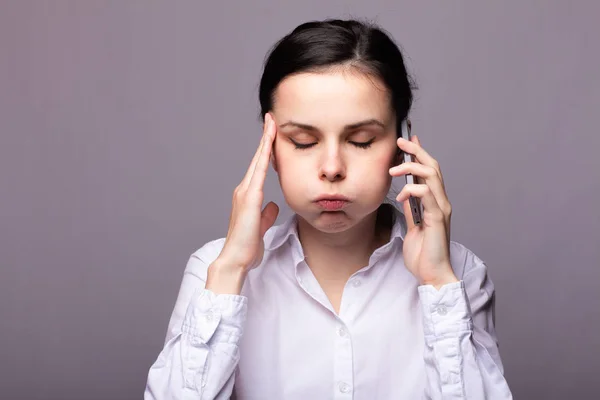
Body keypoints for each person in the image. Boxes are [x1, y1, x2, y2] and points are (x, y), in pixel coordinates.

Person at [145, 18, 513, 400]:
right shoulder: (212, 272)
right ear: (270, 149)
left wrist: (438, 282)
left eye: (362, 140)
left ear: (401, 142)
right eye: (303, 141)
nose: (332, 167)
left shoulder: (459, 276)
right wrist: (230, 272)